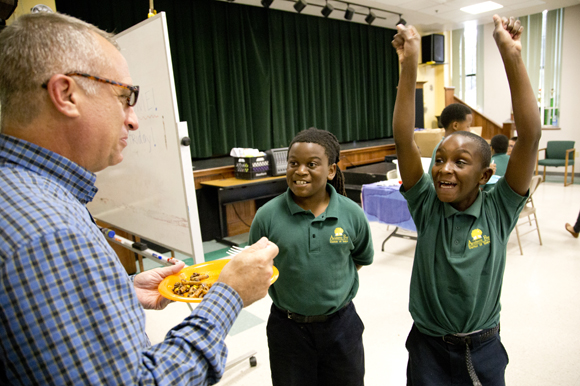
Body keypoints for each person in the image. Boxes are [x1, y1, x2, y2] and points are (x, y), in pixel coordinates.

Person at [0, 12, 278, 385]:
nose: (132, 120)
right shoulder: (52, 234)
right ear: (66, 94)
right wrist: (228, 295)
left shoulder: (19, 194)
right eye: (125, 97)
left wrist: (115, 292)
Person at [392, 14, 541, 386]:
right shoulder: (427, 205)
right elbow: (403, 139)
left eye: (461, 162)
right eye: (440, 160)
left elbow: (531, 135)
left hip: (483, 346)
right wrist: (409, 67)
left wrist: (511, 56)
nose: (445, 169)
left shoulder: (498, 206)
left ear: (485, 175)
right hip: (428, 347)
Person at [248, 127, 374, 386]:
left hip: (341, 325)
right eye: (293, 163)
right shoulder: (267, 216)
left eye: (312, 164)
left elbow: (360, 258)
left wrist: (328, 283)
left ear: (331, 170)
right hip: (288, 328)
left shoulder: (352, 214)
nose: (300, 171)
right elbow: (256, 266)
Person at [428, 103, 473, 174]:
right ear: (455, 125)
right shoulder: (443, 149)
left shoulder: (457, 147)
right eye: (468, 126)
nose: (469, 130)